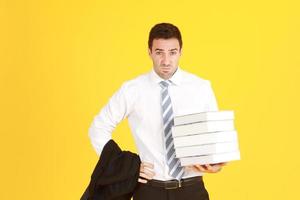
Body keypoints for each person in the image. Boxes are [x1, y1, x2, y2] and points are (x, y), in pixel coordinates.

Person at [88, 22, 227, 200]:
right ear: (150, 52)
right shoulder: (132, 90)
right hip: (149, 191)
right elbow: (98, 128)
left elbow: (213, 138)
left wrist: (216, 163)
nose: (166, 61)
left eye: (173, 52)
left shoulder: (201, 88)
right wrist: (124, 166)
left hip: (192, 189)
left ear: (181, 52)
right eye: (159, 52)